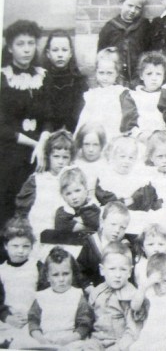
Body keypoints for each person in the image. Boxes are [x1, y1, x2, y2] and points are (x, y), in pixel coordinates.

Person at [0, 20, 52, 228]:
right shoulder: (3, 78)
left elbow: (50, 117)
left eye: (31, 43)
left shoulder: (42, 77)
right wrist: (34, 144)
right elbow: (3, 127)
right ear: (10, 48)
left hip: (39, 151)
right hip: (10, 150)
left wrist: (42, 144)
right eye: (20, 44)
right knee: (9, 202)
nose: (27, 49)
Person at [28, 247, 92, 347]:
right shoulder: (41, 297)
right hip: (43, 339)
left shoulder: (77, 296)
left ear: (73, 274)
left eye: (66, 274)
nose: (61, 279)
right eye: (55, 275)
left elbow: (84, 325)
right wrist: (41, 340)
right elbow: (33, 321)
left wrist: (68, 340)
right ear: (48, 276)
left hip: (70, 340)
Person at [16, 129, 75, 237]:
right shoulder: (37, 180)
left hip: (62, 236)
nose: (60, 162)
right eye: (56, 156)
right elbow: (22, 212)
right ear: (48, 156)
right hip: (37, 233)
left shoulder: (74, 182)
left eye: (65, 157)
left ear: (71, 159)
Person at [87, 242, 143, 350]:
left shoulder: (131, 296)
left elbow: (133, 331)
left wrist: (118, 348)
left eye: (123, 269)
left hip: (119, 343)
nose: (117, 275)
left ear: (130, 272)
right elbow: (89, 320)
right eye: (112, 269)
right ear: (102, 270)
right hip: (96, 341)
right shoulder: (97, 292)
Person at [97, 0, 150, 82]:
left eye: (138, 8)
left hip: (138, 77)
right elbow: (101, 55)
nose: (133, 10)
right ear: (121, 4)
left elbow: (149, 51)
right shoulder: (109, 28)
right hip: (115, 78)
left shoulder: (144, 27)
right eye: (130, 5)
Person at [0, 218, 39, 348]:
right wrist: (7, 317)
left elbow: (45, 294)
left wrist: (32, 316)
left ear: (32, 247)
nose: (20, 251)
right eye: (15, 246)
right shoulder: (2, 271)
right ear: (6, 246)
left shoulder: (37, 266)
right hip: (9, 319)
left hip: (33, 319)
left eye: (25, 246)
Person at [95, 136, 161, 212]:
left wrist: (134, 199)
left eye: (131, 158)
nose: (126, 161)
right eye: (122, 157)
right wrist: (123, 202)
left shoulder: (138, 177)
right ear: (113, 157)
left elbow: (149, 197)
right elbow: (103, 198)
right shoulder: (107, 177)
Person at [75, 47, 128, 141]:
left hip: (115, 132)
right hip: (95, 134)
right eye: (101, 73)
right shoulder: (91, 95)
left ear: (117, 73)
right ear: (96, 72)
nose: (105, 77)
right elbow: (84, 118)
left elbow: (128, 116)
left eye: (109, 73)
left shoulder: (121, 92)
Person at [77, 201, 131, 291]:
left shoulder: (126, 247)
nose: (117, 230)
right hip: (94, 291)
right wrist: (88, 286)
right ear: (102, 222)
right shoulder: (91, 243)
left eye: (122, 227)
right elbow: (79, 269)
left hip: (119, 292)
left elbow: (129, 274)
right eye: (113, 224)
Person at [42, 29, 88, 133]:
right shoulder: (41, 80)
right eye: (55, 50)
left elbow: (80, 115)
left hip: (72, 133)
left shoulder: (79, 82)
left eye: (64, 50)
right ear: (48, 53)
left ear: (71, 53)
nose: (60, 54)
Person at [120, 51, 166, 141]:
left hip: (162, 138)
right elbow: (128, 122)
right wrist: (139, 135)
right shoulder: (133, 96)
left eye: (158, 74)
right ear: (141, 76)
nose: (154, 78)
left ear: (164, 76)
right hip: (139, 137)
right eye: (149, 74)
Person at [132, 223, 166, 288]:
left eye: (161, 244)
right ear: (143, 248)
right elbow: (140, 284)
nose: (156, 249)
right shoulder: (141, 265)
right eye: (150, 244)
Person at [54, 166, 100, 233]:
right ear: (63, 196)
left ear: (85, 189)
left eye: (77, 191)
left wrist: (73, 223)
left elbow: (92, 226)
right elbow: (60, 228)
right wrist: (80, 225)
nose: (74, 197)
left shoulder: (93, 208)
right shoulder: (62, 211)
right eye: (68, 194)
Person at [73, 122, 108, 199]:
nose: (90, 149)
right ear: (81, 144)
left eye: (95, 144)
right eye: (86, 144)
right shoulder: (75, 163)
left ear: (101, 145)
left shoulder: (106, 165)